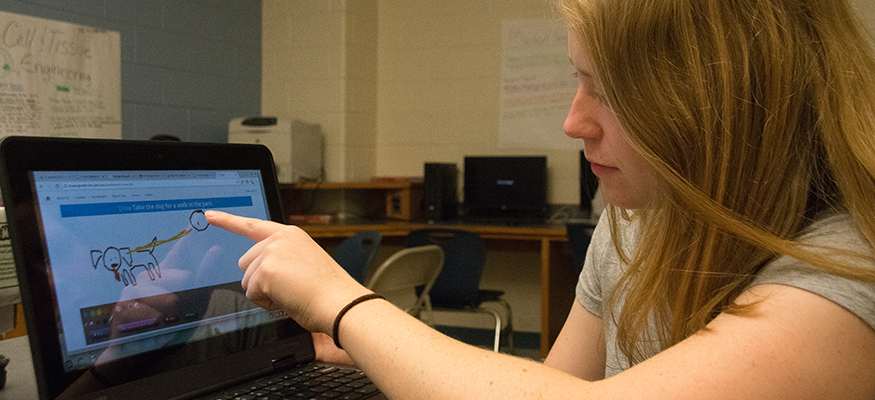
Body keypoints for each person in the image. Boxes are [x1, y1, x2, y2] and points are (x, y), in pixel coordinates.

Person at [206, 0, 875, 397]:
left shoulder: (845, 268)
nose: (573, 122)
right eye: (578, 81)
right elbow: (564, 383)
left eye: (608, 90)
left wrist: (344, 301)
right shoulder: (637, 217)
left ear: (721, 106)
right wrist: (400, 354)